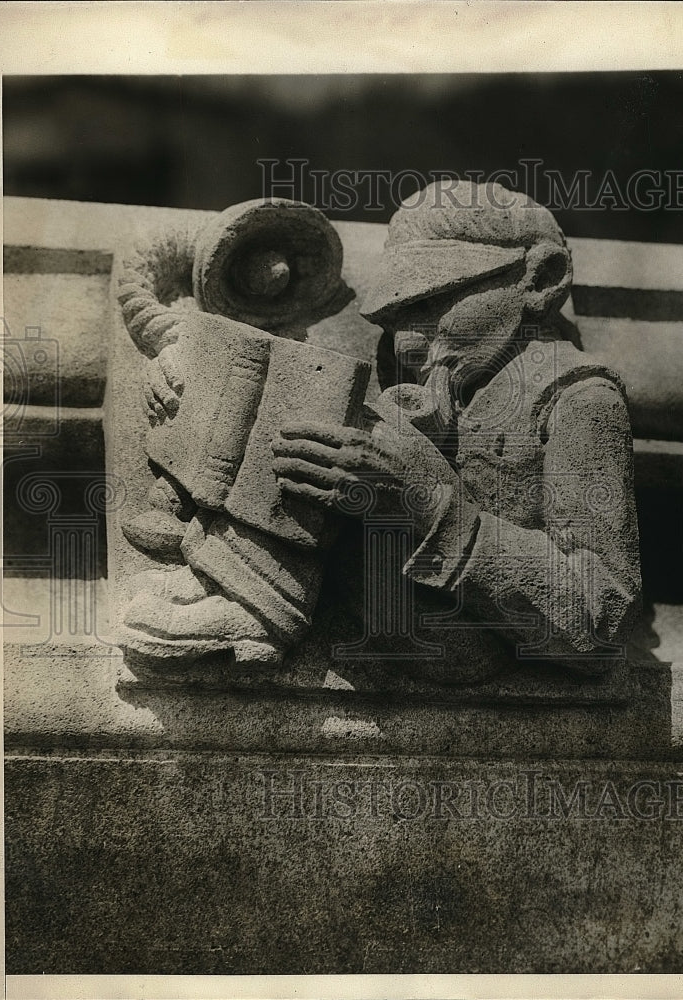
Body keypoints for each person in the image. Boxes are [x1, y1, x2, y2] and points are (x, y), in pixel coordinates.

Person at [124, 180, 642, 681]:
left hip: (457, 638)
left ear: (540, 279)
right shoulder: (447, 376)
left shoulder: (578, 398)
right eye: (395, 319)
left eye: (432, 303)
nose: (407, 345)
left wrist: (420, 501)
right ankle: (228, 570)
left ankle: (262, 600)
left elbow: (602, 623)